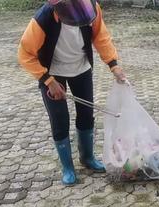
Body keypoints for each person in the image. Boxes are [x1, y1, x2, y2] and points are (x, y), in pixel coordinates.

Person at [18, 0, 128, 186]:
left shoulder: (92, 8)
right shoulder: (42, 19)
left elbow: (101, 36)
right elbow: (25, 54)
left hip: (81, 68)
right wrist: (48, 81)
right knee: (59, 119)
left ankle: (87, 158)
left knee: (86, 115)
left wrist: (113, 65)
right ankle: (67, 167)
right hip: (52, 73)